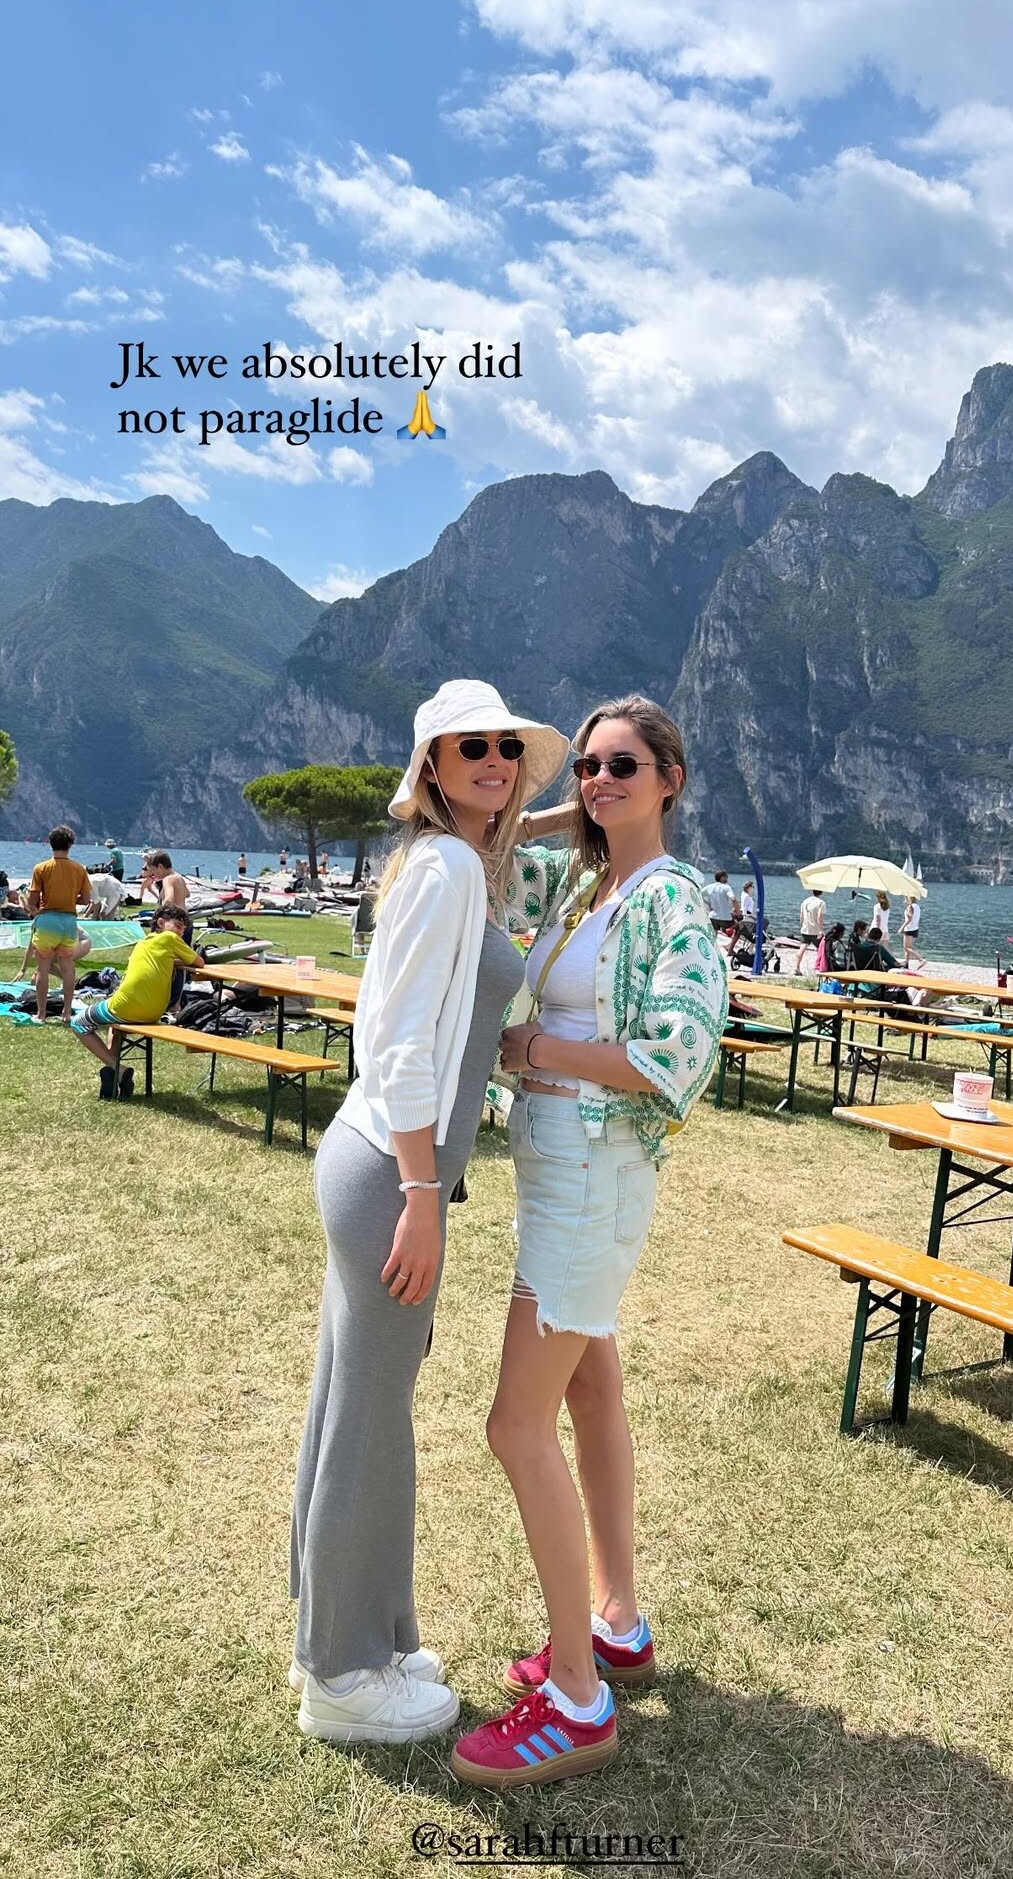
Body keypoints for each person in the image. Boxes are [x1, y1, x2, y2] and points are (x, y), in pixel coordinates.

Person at [450, 697, 727, 1790]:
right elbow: (487, 855)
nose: (601, 779)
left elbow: (676, 1055)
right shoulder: (583, 884)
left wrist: (535, 1047)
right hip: (557, 1168)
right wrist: (571, 812)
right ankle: (617, 1623)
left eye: (625, 766)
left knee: (514, 1423)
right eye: (590, 766)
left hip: (593, 1177)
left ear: (671, 778)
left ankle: (576, 1697)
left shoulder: (669, 899)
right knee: (591, 1388)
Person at [290, 679, 569, 1750]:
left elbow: (507, 834)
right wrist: (421, 1194)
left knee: (349, 1405)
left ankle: (356, 1634)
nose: (495, 759)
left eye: (506, 746)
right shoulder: (448, 870)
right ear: (433, 768)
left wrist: (569, 811)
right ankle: (341, 1671)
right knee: (369, 1424)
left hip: (373, 1162)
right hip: (389, 1177)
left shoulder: (449, 858)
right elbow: (400, 1044)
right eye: (471, 747)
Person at [70, 903, 205, 1098]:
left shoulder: (145, 943)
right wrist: (177, 962)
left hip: (125, 1007)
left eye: (183, 929)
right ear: (161, 923)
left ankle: (118, 1069)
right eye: (178, 926)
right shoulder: (170, 941)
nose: (181, 932)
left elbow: (198, 962)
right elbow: (198, 961)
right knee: (115, 1028)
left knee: (78, 1023)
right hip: (153, 1012)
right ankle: (113, 1072)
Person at [24, 825, 93, 1024]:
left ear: (50, 843)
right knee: (68, 968)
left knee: (42, 968)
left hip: (47, 921)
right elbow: (86, 899)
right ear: (70, 844)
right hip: (68, 922)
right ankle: (67, 1013)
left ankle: (41, 1014)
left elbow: (32, 901)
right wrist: (70, 899)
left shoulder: (41, 868)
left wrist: (37, 908)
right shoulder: (79, 869)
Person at [141, 851, 193, 1012]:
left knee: (172, 963)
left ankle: (172, 1002)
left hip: (174, 925)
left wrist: (160, 915)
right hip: (186, 922)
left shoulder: (168, 879)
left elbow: (169, 899)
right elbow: (187, 894)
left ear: (160, 866)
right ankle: (176, 1002)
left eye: (154, 871)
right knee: (182, 962)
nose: (154, 875)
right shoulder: (179, 877)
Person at [793, 887, 827, 975]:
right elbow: (819, 917)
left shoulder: (805, 901)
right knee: (822, 949)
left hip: (805, 929)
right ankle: (820, 967)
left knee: (802, 948)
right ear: (821, 892)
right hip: (815, 930)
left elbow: (801, 915)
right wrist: (821, 929)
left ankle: (796, 967)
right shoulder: (821, 903)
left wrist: (802, 925)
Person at [704, 869, 736, 934]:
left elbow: (699, 894)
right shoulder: (726, 887)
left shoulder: (709, 887)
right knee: (736, 928)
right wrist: (738, 911)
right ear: (722, 877)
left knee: (714, 935)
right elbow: (733, 899)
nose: (727, 879)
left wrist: (708, 904)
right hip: (725, 917)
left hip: (712, 916)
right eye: (726, 877)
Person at [901, 895, 925, 970]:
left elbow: (909, 919)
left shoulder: (910, 907)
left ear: (910, 898)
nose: (905, 899)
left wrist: (901, 928)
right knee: (909, 947)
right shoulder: (917, 906)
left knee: (906, 948)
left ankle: (921, 960)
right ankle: (906, 963)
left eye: (906, 898)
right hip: (915, 928)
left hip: (909, 929)